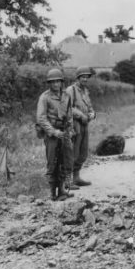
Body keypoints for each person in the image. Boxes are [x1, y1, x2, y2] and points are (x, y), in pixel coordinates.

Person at [36, 69, 74, 201]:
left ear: (61, 82)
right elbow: (41, 118)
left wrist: (70, 130)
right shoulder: (44, 97)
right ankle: (52, 191)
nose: (56, 84)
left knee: (65, 160)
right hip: (51, 133)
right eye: (53, 82)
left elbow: (69, 115)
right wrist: (53, 131)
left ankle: (62, 189)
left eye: (58, 81)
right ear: (49, 83)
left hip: (64, 132)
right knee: (52, 162)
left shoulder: (66, 96)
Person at [66, 66, 96, 188]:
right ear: (78, 78)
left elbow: (89, 106)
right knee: (73, 152)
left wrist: (92, 113)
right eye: (83, 77)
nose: (85, 79)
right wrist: (80, 115)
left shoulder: (85, 91)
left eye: (87, 77)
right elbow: (67, 107)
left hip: (85, 125)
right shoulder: (70, 90)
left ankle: (76, 177)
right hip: (74, 125)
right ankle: (67, 181)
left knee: (83, 153)